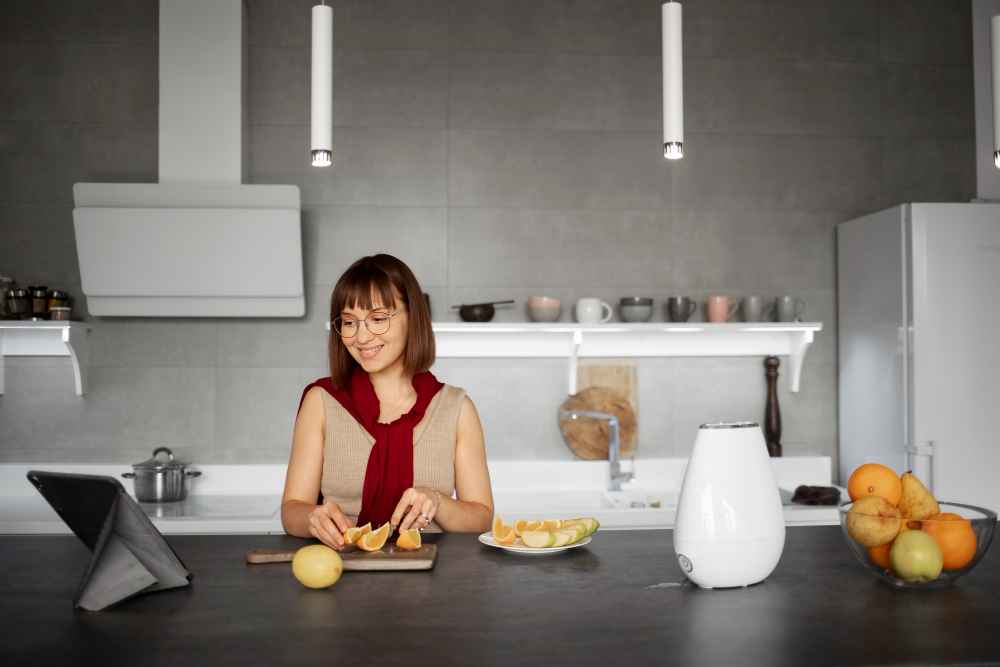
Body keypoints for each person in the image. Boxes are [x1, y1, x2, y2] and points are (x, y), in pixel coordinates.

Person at [281, 254, 493, 549]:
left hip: (430, 578)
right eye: (349, 322)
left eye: (378, 319)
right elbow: (293, 509)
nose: (362, 336)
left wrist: (437, 502)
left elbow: (481, 518)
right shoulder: (321, 402)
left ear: (413, 316)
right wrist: (311, 517)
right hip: (341, 574)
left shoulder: (457, 408)